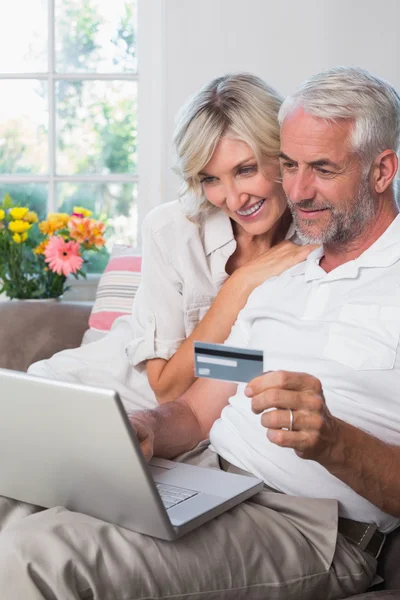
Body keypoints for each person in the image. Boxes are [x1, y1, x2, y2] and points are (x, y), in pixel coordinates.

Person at [1, 65, 399, 599]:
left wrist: (334, 440)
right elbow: (192, 406)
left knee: (32, 555)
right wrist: (147, 424)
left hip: (304, 520)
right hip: (206, 475)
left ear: (382, 170)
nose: (299, 190)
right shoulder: (283, 276)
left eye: (322, 168)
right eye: (289, 166)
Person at [28, 73, 311, 410]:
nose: (234, 200)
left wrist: (232, 363)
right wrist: (240, 286)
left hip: (196, 421)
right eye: (211, 179)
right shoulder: (172, 229)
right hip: (98, 391)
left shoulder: (317, 239)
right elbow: (165, 386)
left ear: (282, 155)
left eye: (245, 170)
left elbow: (303, 366)